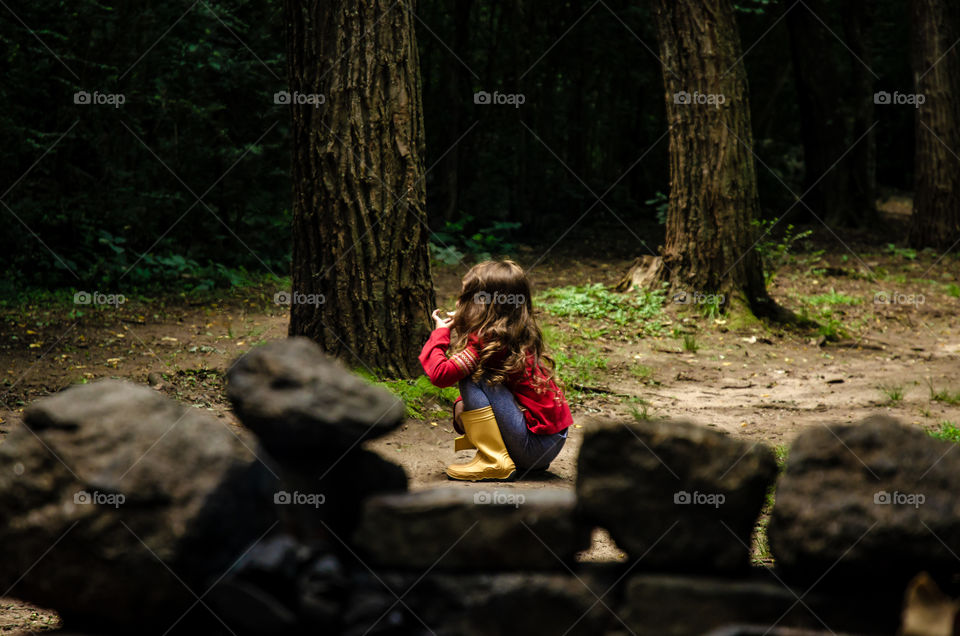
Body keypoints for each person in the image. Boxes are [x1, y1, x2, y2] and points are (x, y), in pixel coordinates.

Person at [418, 260, 572, 481]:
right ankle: (509, 459)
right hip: (550, 443)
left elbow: (441, 374)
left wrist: (440, 333)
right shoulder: (515, 331)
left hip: (534, 447)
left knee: (472, 378)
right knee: (471, 390)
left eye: (466, 298)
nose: (459, 302)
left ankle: (493, 461)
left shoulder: (485, 341)